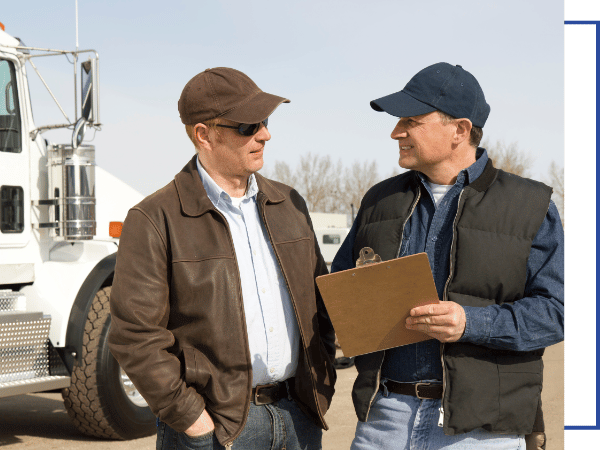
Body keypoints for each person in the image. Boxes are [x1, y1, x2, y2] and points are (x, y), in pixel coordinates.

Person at [331, 62, 565, 450]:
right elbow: (340, 291)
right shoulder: (379, 200)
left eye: (411, 120)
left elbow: (559, 311)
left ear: (460, 129)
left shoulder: (532, 205)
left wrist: (471, 323)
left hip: (481, 430)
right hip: (383, 421)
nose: (396, 132)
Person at [108, 67, 336, 450]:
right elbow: (135, 336)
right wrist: (191, 419)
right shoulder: (154, 219)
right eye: (248, 126)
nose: (265, 134)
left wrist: (317, 386)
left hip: (299, 419)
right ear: (204, 134)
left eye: (264, 121)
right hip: (217, 430)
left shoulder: (290, 204)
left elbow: (322, 304)